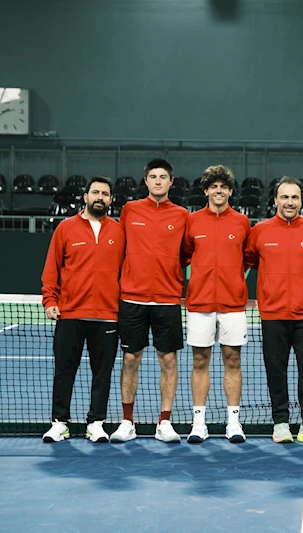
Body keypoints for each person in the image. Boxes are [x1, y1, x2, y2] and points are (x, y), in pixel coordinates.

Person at [244, 176, 303, 444]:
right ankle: (280, 423)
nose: (290, 202)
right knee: (276, 370)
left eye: (294, 197)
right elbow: (250, 258)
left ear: (301, 201)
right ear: (275, 200)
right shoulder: (259, 231)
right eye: (284, 197)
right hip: (273, 314)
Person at [110, 159, 189, 444]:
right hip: (132, 298)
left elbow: (188, 255)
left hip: (167, 300)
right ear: (146, 181)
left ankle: (164, 422)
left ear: (171, 181)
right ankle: (127, 422)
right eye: (153, 177)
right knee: (130, 359)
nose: (158, 181)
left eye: (163, 177)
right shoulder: (130, 210)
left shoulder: (182, 215)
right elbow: (117, 249)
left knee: (168, 360)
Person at [41, 176, 126, 443]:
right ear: (85, 197)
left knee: (102, 373)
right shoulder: (65, 228)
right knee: (64, 370)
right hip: (70, 314)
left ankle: (96, 423)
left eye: (105, 194)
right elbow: (51, 268)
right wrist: (49, 300)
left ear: (111, 200)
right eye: (95, 192)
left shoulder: (120, 231)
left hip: (108, 315)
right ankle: (59, 423)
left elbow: (127, 271)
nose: (100, 197)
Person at [184, 165, 251, 444]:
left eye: (224, 186)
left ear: (231, 191)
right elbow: (187, 255)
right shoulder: (193, 222)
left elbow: (248, 258)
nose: (219, 190)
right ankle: (199, 423)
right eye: (213, 186)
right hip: (199, 303)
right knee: (200, 361)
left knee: (232, 361)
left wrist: (233, 281)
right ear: (206, 190)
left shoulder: (242, 223)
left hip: (232, 304)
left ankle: (233, 423)